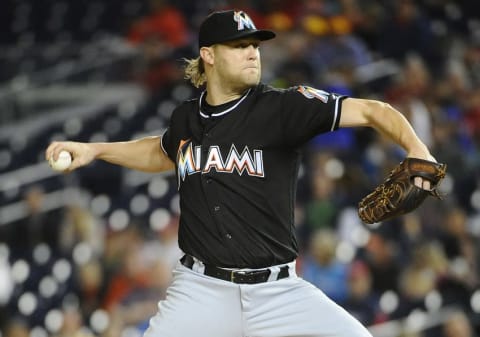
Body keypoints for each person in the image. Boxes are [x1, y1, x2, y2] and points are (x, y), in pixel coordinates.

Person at [46, 9, 437, 337]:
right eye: (239, 46)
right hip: (200, 290)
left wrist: (417, 150)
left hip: (279, 292)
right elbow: (160, 151)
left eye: (255, 45)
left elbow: (374, 111)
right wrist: (94, 149)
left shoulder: (284, 107)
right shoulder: (186, 117)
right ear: (209, 55)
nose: (253, 53)